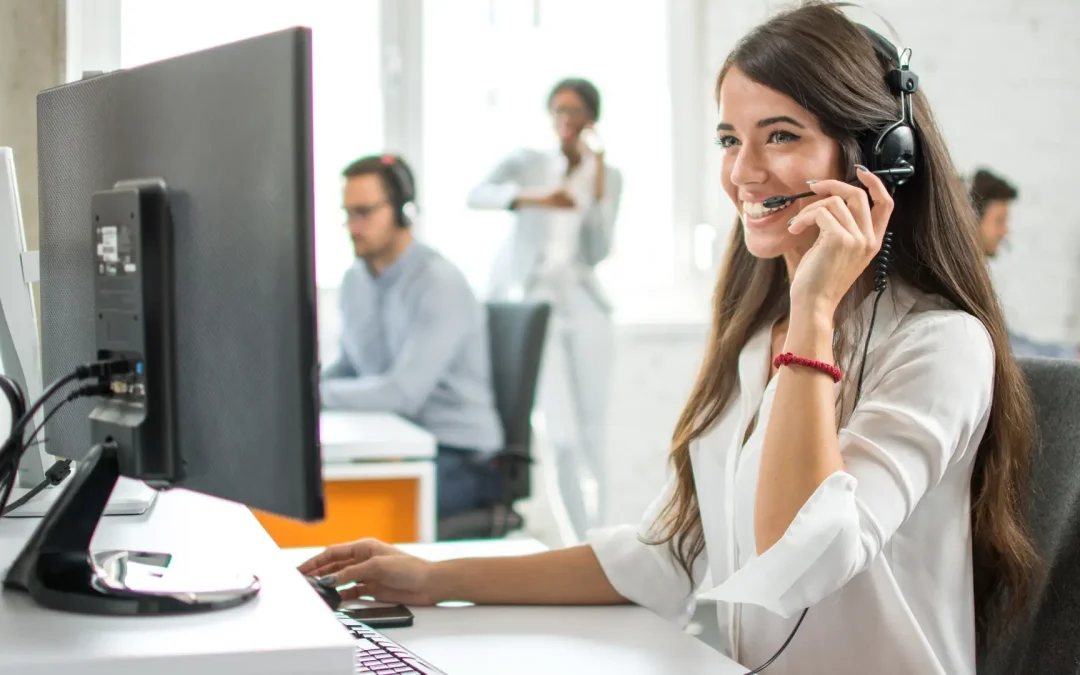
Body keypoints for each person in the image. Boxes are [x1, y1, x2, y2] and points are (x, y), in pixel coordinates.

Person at [301, 6, 1038, 674]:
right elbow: (671, 552)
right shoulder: (757, 340)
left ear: (880, 159)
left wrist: (814, 307)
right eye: (729, 138)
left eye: (780, 135)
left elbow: (805, 557)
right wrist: (433, 579)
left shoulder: (942, 347)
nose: (743, 173)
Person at [465, 77, 623, 538]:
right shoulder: (528, 162)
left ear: (590, 119)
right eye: (557, 110)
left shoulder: (606, 174)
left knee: (594, 434)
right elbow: (475, 195)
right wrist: (534, 198)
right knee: (563, 437)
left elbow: (598, 251)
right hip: (535, 302)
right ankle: (577, 542)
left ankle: (603, 538)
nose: (565, 120)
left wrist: (595, 187)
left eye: (574, 111)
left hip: (584, 301)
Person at [321, 154, 505, 519]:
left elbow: (403, 393)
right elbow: (349, 365)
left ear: (403, 211)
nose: (352, 227)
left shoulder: (438, 282)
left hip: (461, 457)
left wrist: (313, 397)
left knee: (340, 508)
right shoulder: (354, 280)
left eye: (364, 212)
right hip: (399, 444)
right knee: (318, 490)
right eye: (347, 214)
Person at [969, 167, 1077, 358]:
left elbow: (1010, 341)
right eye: (999, 221)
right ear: (972, 220)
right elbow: (1010, 352)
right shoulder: (966, 282)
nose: (1005, 232)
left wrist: (1070, 353)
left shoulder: (976, 275)